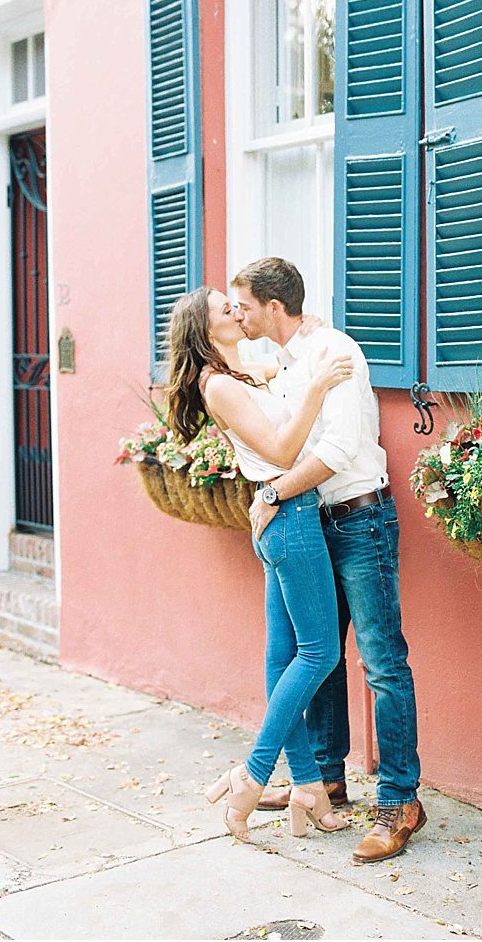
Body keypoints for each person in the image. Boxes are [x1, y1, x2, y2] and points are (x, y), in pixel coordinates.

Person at [231, 256, 424, 864]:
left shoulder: (334, 351)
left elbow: (339, 450)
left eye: (244, 306)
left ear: (273, 306)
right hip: (316, 522)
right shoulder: (290, 359)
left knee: (383, 662)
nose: (238, 315)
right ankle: (326, 780)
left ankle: (400, 800)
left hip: (360, 519)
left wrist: (271, 492)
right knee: (322, 658)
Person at [164, 287, 354, 842]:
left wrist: (304, 334)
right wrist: (318, 388)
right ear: (206, 330)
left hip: (280, 516)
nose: (238, 313)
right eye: (228, 310)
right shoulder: (220, 385)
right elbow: (281, 451)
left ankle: (309, 787)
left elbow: (279, 363)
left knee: (282, 658)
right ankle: (253, 773)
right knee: (319, 651)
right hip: (290, 514)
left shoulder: (240, 373)